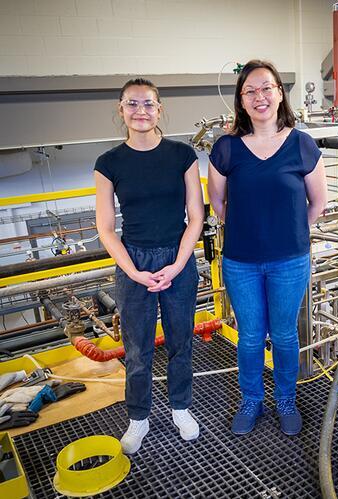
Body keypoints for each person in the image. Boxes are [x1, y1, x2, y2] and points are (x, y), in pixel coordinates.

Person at [207, 60, 326, 436]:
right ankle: (252, 400)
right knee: (252, 336)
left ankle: (286, 400)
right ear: (241, 100)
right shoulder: (225, 149)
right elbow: (219, 206)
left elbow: (318, 203)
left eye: (266, 88)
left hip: (290, 261)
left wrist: (288, 232)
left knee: (286, 334)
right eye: (250, 91)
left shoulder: (301, 144)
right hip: (241, 261)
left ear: (279, 93)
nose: (260, 97)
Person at [95, 78, 204, 454]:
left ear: (159, 109)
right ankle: (138, 418)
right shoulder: (108, 163)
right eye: (132, 104)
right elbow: (106, 228)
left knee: (180, 342)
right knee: (137, 348)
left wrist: (177, 264)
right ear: (121, 109)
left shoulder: (182, 155)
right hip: (133, 260)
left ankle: (181, 407)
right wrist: (132, 270)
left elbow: (196, 217)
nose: (140, 111)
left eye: (148, 104)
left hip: (178, 257)